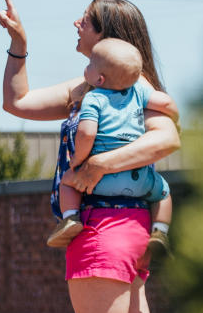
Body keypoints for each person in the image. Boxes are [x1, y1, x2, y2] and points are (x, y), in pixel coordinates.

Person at [0, 0, 182, 313]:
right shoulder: (91, 86)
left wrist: (97, 165)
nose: (76, 22)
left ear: (109, 35)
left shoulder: (129, 86)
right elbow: (16, 103)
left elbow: (168, 137)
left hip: (103, 225)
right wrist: (19, 45)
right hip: (130, 226)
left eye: (88, 19)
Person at [49, 37, 174, 250]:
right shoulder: (140, 93)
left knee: (67, 182)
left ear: (99, 78)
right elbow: (166, 102)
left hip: (97, 182)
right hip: (139, 180)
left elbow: (87, 134)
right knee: (164, 192)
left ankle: (71, 219)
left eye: (89, 65)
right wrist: (174, 115)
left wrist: (79, 159)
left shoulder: (94, 98)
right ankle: (160, 231)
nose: (85, 68)